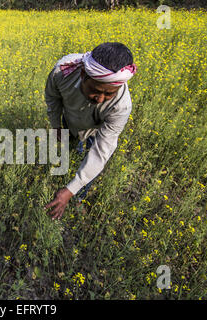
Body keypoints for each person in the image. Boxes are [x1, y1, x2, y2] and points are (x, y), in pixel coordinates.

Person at [44, 42, 137, 220]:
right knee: (70, 148)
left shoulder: (121, 106)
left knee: (90, 161)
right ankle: (68, 161)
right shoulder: (62, 72)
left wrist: (69, 190)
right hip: (69, 121)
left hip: (95, 132)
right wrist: (56, 125)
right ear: (83, 74)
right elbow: (53, 98)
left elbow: (101, 152)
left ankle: (78, 197)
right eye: (95, 91)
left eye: (108, 94)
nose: (100, 99)